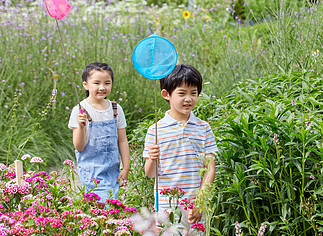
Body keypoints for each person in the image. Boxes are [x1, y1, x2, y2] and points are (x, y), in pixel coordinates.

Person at [143, 64, 218, 224]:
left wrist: (201, 201)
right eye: (182, 93)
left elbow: (210, 167)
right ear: (166, 94)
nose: (189, 99)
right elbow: (150, 173)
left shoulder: (203, 127)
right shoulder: (155, 130)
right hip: (166, 206)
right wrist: (152, 158)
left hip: (195, 206)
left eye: (194, 93)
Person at [68, 62, 130, 203]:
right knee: (102, 206)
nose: (102, 87)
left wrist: (126, 167)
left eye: (107, 83)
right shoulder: (80, 110)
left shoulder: (115, 109)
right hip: (92, 172)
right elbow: (79, 146)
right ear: (86, 85)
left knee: (113, 206)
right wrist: (81, 125)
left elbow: (122, 140)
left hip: (113, 170)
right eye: (96, 83)